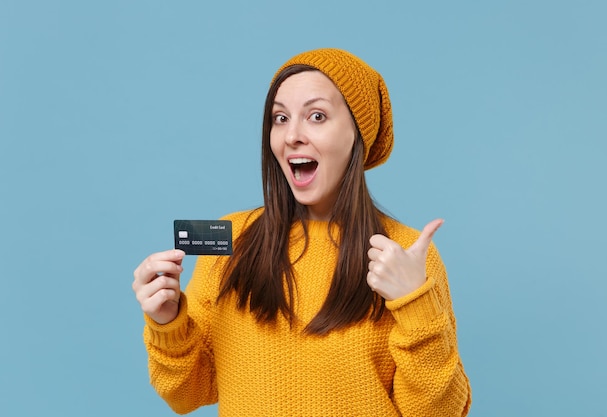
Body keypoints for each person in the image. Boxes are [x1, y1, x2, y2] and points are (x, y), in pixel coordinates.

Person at [132, 48, 471, 416]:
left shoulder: (404, 254)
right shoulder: (231, 239)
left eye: (317, 116)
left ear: (357, 133)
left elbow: (438, 412)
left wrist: (414, 304)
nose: (292, 135)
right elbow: (186, 394)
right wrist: (167, 320)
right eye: (280, 118)